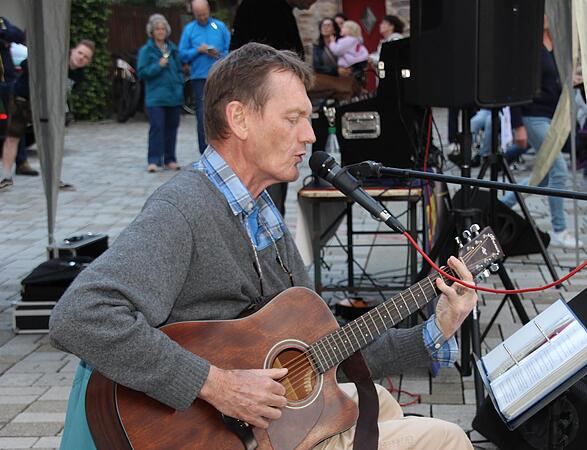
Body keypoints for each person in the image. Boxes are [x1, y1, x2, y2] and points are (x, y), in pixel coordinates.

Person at [49, 43, 476, 450]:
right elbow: (80, 316)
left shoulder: (262, 213)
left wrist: (436, 329)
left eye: (308, 119)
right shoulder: (184, 210)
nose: (310, 135)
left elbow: (328, 348)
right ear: (239, 119)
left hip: (272, 425)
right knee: (448, 439)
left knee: (379, 403)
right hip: (207, 431)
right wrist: (218, 385)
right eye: (293, 118)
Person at [497, 16, 582, 248]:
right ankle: (559, 228)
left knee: (542, 176)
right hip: (533, 115)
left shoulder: (558, 43)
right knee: (559, 170)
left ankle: (501, 206)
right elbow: (514, 86)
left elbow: (553, 80)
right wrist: (518, 125)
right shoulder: (529, 47)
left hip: (553, 115)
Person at [229, 0, 316, 217]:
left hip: (265, 117)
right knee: (266, 208)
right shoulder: (265, 10)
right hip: (261, 122)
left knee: (272, 205)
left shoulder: (280, 11)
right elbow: (281, 76)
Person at [1, 40, 94, 192]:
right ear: (73, 51)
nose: (81, 58)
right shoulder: (55, 58)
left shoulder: (78, 75)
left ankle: (54, 180)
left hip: (47, 105)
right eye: (80, 53)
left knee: (52, 141)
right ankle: (5, 178)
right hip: (23, 97)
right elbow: (26, 65)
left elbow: (66, 93)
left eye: (86, 57)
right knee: (13, 137)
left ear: (88, 62)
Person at [179, 0, 230, 154]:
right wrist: (198, 50)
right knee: (202, 114)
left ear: (209, 9)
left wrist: (219, 54)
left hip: (219, 75)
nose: (202, 17)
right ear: (194, 13)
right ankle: (205, 150)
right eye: (198, 14)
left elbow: (232, 51)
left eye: (204, 13)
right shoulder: (189, 30)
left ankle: (223, 148)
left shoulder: (220, 27)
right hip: (199, 78)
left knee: (222, 111)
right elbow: (182, 54)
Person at [137, 14, 183, 173]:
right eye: (157, 29)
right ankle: (154, 160)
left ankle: (170, 159)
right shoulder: (146, 50)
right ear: (152, 31)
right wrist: (158, 66)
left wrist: (179, 82)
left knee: (172, 128)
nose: (160, 31)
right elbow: (142, 72)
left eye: (163, 28)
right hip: (155, 97)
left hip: (173, 96)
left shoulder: (173, 49)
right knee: (157, 127)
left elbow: (179, 69)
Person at [0, 16, 36, 178]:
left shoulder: (1, 21)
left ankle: (21, 162)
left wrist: (3, 33)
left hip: (6, 80)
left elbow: (18, 35)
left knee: (15, 122)